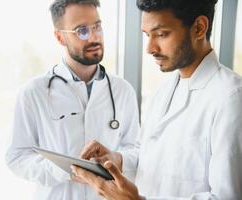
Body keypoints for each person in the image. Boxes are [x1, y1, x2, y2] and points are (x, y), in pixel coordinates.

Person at [72, 0, 242, 199]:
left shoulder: (231, 98)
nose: (150, 48)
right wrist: (116, 160)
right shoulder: (162, 92)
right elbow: (152, 157)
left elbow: (227, 196)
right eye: (147, 35)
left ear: (199, 28)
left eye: (161, 34)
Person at [5, 0, 140, 199]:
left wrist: (117, 159)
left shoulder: (123, 90)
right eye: (82, 31)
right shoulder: (34, 92)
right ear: (60, 37)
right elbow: (16, 157)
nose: (94, 37)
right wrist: (66, 171)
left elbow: (137, 149)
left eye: (97, 27)